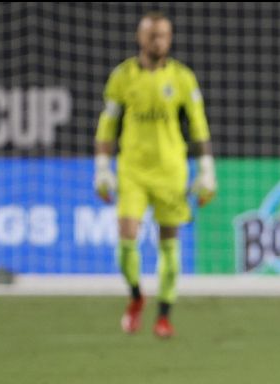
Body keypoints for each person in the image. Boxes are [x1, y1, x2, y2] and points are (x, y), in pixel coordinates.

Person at [93, 12, 217, 338]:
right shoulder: (122, 77)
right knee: (126, 239)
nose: (158, 40)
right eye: (152, 35)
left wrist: (206, 170)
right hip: (132, 170)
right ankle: (135, 296)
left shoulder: (182, 78)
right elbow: (108, 125)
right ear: (140, 38)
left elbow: (199, 125)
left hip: (171, 171)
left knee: (169, 246)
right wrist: (102, 169)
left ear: (170, 38)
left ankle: (164, 314)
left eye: (163, 35)